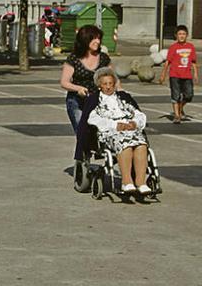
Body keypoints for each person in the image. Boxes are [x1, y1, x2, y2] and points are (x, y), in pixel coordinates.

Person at [81, 68, 152, 196]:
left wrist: (134, 123)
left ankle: (141, 183)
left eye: (111, 84)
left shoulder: (123, 98)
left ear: (114, 84)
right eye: (105, 84)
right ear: (99, 85)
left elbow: (138, 113)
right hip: (109, 132)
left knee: (141, 144)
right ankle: (126, 181)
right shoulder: (95, 100)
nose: (108, 87)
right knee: (125, 144)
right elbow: (92, 119)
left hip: (130, 130)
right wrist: (115, 125)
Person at [60, 24, 114, 134]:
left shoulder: (104, 58)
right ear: (84, 40)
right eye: (93, 38)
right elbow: (64, 82)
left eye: (99, 38)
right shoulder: (74, 58)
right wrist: (78, 88)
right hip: (78, 101)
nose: (97, 41)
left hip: (99, 100)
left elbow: (113, 80)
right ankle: (83, 150)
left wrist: (121, 93)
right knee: (83, 133)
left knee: (102, 133)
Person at [159, 25, 198, 123]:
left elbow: (193, 62)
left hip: (187, 75)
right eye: (180, 34)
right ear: (176, 35)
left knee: (189, 95)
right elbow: (167, 62)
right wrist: (163, 75)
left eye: (184, 34)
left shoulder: (191, 47)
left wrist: (196, 74)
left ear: (187, 35)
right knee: (175, 95)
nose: (182, 36)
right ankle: (177, 116)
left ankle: (180, 108)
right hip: (175, 75)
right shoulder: (173, 47)